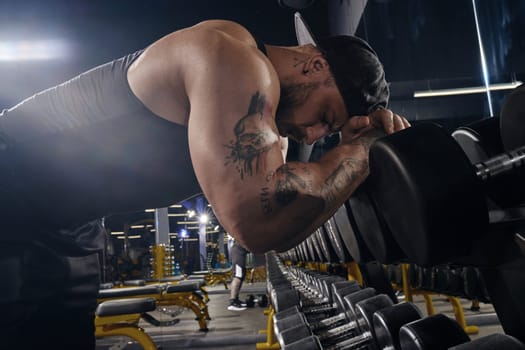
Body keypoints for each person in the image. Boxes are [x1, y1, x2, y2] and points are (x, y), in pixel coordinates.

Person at [0, 18, 409, 349]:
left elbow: (275, 231)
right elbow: (253, 221)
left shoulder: (272, 130)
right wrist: (360, 151)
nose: (316, 135)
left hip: (65, 228)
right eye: (326, 116)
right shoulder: (232, 57)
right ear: (316, 64)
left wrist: (364, 153)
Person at [228, 241, 250, 311]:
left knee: (241, 275)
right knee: (238, 276)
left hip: (240, 252)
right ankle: (232, 302)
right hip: (238, 252)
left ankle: (236, 299)